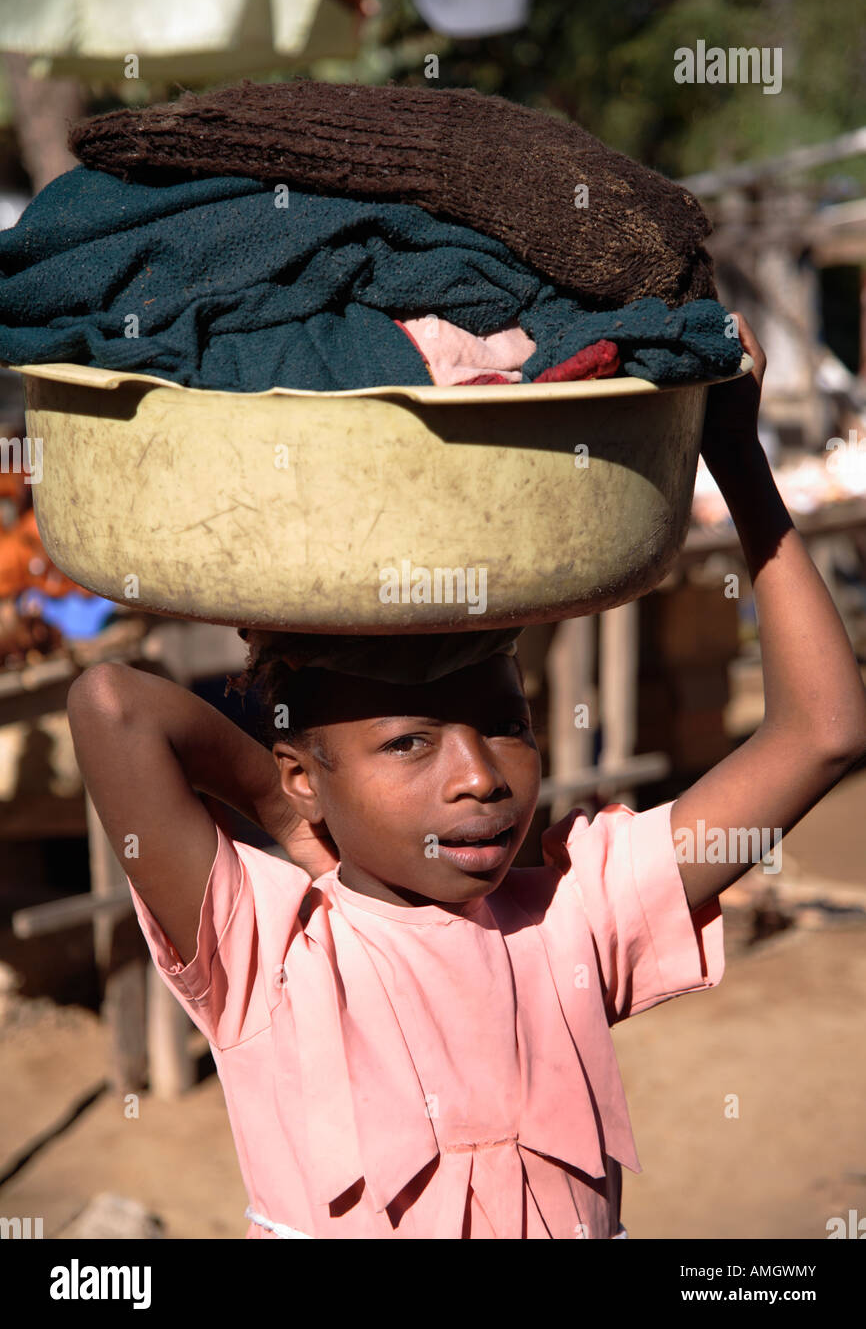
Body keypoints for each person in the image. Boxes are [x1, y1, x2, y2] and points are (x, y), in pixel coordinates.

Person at [66, 315, 866, 1238]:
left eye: (507, 726)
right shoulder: (273, 956)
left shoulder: (573, 909)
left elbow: (825, 735)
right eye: (410, 742)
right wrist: (284, 816)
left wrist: (734, 455)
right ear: (301, 772)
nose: (481, 777)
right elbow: (112, 706)